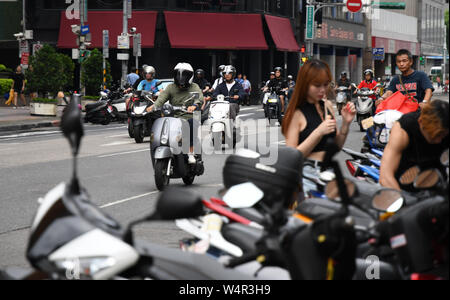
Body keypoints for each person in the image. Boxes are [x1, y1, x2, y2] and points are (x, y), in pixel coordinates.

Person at [283, 59, 356, 164]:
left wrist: (345, 123)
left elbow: (336, 147)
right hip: (306, 174)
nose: (322, 89)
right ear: (305, 84)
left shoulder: (327, 106)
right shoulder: (296, 113)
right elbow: (291, 158)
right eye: (317, 85)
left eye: (326, 84)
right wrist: (319, 132)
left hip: (328, 170)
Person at [379, 100, 449, 191]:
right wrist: (402, 201)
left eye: (442, 135)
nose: (438, 141)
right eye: (434, 136)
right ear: (421, 122)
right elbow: (385, 177)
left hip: (438, 188)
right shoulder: (403, 130)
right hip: (403, 190)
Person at [149, 63, 203, 164]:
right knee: (161, 122)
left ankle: (191, 151)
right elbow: (162, 98)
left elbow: (199, 98)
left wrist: (194, 106)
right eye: (178, 74)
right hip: (174, 116)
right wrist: (153, 106)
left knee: (192, 122)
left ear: (190, 76)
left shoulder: (194, 86)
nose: (181, 77)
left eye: (184, 75)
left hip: (189, 115)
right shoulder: (171, 87)